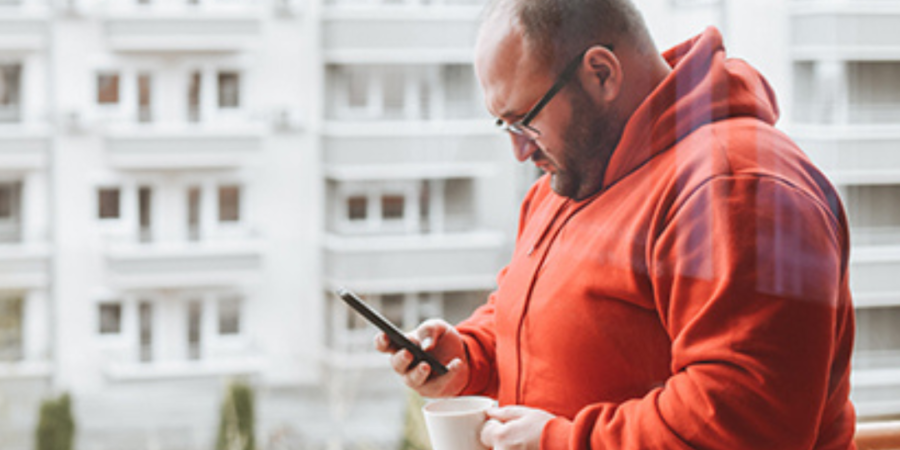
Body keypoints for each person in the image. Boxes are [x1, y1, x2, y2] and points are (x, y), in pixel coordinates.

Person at [375, 0, 857, 448]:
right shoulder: (568, 179)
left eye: (525, 121)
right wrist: (469, 356)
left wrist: (561, 441)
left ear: (601, 74)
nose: (519, 150)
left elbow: (742, 419)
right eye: (505, 125)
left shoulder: (735, 187)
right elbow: (530, 314)